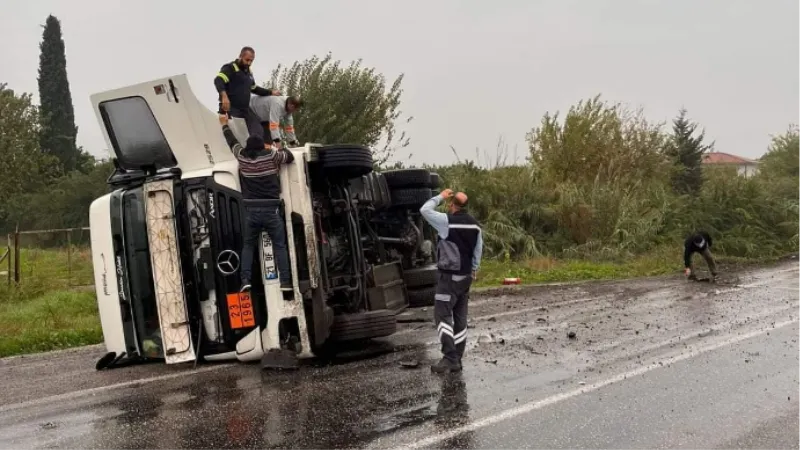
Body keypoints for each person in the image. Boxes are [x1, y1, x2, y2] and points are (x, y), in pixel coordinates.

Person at [218, 114, 294, 291]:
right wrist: (275, 146)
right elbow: (288, 157)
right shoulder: (271, 156)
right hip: (271, 210)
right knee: (279, 246)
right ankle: (285, 282)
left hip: (251, 211)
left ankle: (245, 280)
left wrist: (224, 125)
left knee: (248, 246)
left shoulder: (242, 157)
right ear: (262, 146)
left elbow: (232, 142)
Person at [420, 189, 483, 373]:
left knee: (442, 315)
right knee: (460, 318)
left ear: (451, 204)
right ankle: (457, 357)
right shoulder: (475, 225)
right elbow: (478, 249)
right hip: (465, 278)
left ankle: (449, 358)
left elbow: (424, 210)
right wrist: (474, 269)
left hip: (448, 278)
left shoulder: (447, 222)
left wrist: (440, 196)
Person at [214, 47, 281, 137]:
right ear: (240, 56)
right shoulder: (230, 68)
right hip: (231, 108)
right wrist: (224, 96)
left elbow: (254, 88)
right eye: (247, 60)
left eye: (251, 61)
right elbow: (218, 80)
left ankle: (257, 149)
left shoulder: (248, 72)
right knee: (235, 132)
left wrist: (271, 92)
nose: (249, 63)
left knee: (258, 130)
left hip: (244, 109)